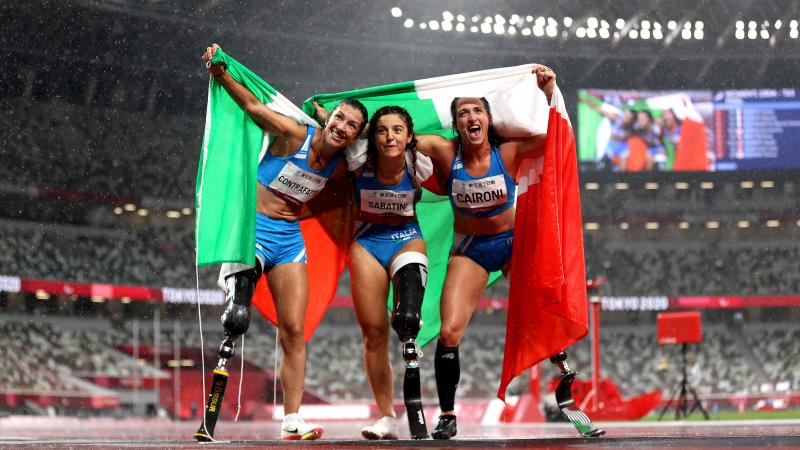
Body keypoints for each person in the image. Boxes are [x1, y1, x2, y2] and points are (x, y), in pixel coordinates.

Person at [199, 43, 367, 441]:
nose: (341, 127)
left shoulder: (343, 166)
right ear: (330, 118)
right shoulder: (296, 134)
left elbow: (376, 154)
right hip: (253, 230)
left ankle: (292, 418)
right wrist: (221, 73)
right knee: (238, 319)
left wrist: (335, 122)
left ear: (354, 136)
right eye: (339, 117)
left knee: (295, 330)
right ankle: (209, 417)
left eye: (350, 126)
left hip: (289, 240)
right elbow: (256, 111)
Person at [411, 65, 557, 440]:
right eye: (463, 113)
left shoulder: (508, 152)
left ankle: (565, 374)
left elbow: (555, 137)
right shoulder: (445, 151)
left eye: (477, 110)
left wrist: (548, 92)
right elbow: (395, 134)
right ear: (456, 124)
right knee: (449, 332)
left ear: (489, 119)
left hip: (512, 246)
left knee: (544, 310)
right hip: (471, 251)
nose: (470, 117)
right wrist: (342, 122)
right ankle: (446, 414)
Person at [347, 106, 429, 440]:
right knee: (374, 334)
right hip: (367, 243)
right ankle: (387, 417)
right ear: (371, 135)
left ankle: (411, 324)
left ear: (410, 137)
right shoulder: (357, 159)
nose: (389, 136)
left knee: (406, 318)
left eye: (397, 130)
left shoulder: (419, 163)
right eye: (381, 130)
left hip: (407, 240)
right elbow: (330, 137)